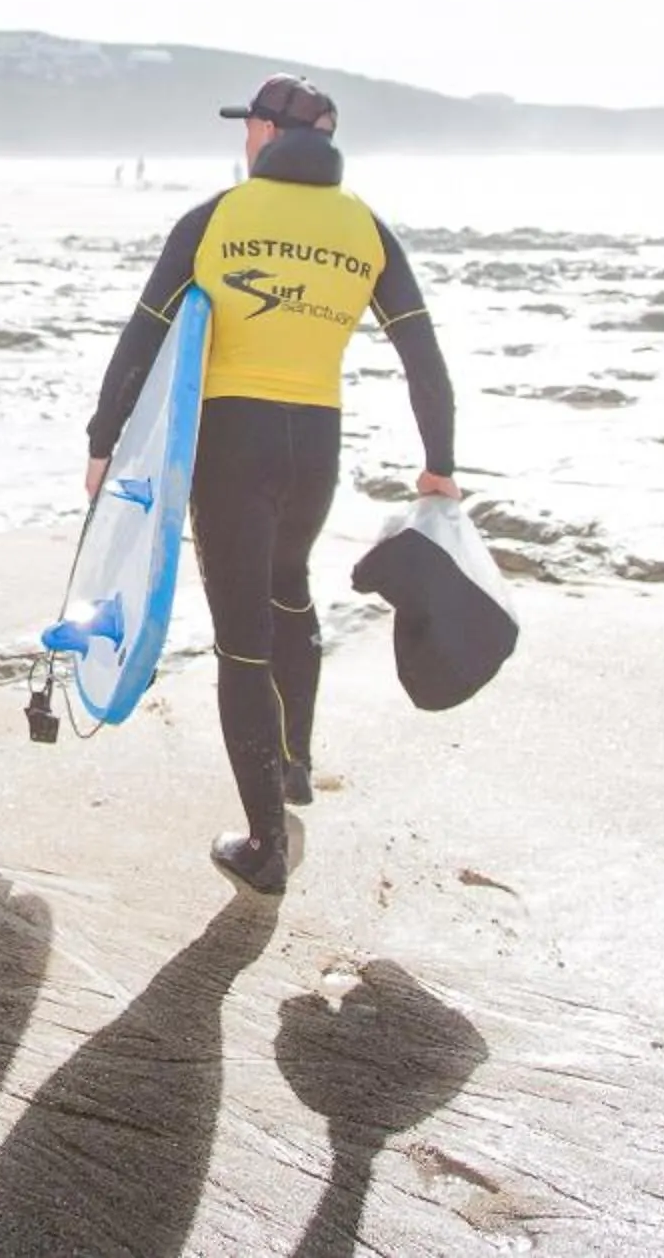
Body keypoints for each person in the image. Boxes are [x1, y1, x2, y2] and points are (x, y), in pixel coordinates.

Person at [82, 76, 458, 896]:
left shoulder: (217, 218)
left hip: (232, 447)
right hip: (314, 446)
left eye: (248, 123)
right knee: (291, 589)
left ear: (269, 131)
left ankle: (263, 847)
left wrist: (102, 441)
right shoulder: (366, 229)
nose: (242, 137)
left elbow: (143, 333)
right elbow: (422, 356)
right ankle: (294, 766)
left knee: (241, 640)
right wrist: (440, 465)